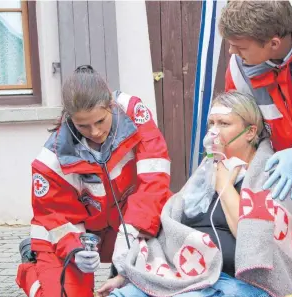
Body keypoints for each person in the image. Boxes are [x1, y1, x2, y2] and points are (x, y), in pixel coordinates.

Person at [97, 92, 292, 297]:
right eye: (212, 123)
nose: (214, 132)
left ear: (250, 132)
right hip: (186, 279)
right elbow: (168, 232)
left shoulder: (272, 177)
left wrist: (225, 187)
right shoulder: (201, 179)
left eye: (224, 123)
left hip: (238, 283)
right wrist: (127, 274)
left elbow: (254, 239)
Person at [15, 65, 173, 297]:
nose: (95, 132)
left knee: (158, 283)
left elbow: (154, 180)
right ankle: (31, 267)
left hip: (129, 221)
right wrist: (75, 249)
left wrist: (131, 231)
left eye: (100, 121)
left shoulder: (134, 116)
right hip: (73, 233)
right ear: (69, 118)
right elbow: (56, 217)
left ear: (110, 104)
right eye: (83, 126)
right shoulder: (51, 161)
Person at [219, 1, 292, 291]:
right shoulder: (240, 67)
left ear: (274, 43)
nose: (232, 53)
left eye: (240, 46)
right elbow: (240, 125)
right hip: (288, 188)